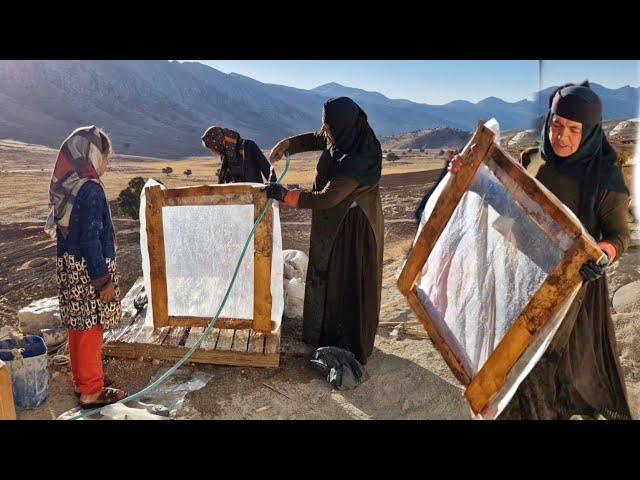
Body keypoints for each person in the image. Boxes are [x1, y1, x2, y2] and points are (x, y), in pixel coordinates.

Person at [450, 82, 632, 420]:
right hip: (524, 279)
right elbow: (508, 205)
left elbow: (619, 235)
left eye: (573, 130)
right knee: (513, 367)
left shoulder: (606, 178)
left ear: (589, 132)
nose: (561, 136)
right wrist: (468, 177)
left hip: (573, 291)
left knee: (556, 373)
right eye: (556, 125)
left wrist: (601, 254)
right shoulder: (532, 162)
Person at [265, 97, 384, 374]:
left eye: (328, 125)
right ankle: (325, 336)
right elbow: (319, 138)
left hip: (354, 230)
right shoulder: (346, 135)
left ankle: (349, 343)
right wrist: (288, 145)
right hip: (336, 223)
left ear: (342, 126)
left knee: (346, 284)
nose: (324, 129)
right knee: (329, 279)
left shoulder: (360, 157)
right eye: (324, 123)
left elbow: (327, 198)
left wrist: (285, 195)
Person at [46, 126, 126, 408]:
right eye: (105, 157)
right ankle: (92, 390)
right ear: (91, 154)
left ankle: (82, 382)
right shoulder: (90, 190)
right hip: (90, 271)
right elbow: (91, 238)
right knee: (92, 329)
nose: (107, 164)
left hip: (70, 269)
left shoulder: (69, 187)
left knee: (77, 327)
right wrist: (103, 281)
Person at [201, 126, 276, 183]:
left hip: (254, 196)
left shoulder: (249, 146)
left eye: (214, 149)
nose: (214, 153)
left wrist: (274, 191)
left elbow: (267, 169)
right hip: (235, 199)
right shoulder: (225, 155)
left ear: (219, 143)